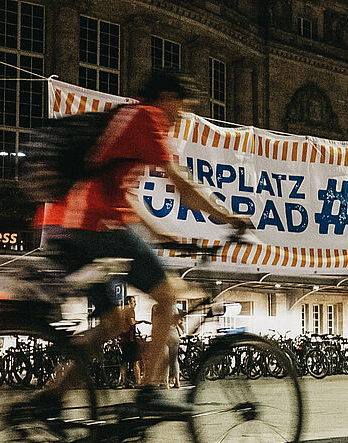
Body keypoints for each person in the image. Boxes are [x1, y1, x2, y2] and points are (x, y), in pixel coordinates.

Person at [26, 70, 250, 418]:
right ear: (166, 98)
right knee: (166, 296)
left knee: (112, 324)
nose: (180, 118)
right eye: (181, 108)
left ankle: (49, 397)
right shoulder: (147, 117)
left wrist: (160, 235)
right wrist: (230, 217)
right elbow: (184, 186)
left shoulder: (125, 121)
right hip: (92, 225)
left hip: (63, 226)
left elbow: (119, 197)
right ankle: (149, 392)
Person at [120, 296, 149, 387]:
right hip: (130, 339)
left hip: (124, 339)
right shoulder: (130, 310)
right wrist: (142, 321)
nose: (135, 304)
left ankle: (124, 381)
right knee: (136, 361)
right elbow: (132, 322)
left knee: (124, 361)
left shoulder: (122, 311)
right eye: (133, 302)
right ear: (129, 302)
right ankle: (138, 381)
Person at [152, 302, 181, 388]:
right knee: (175, 360)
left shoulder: (157, 307)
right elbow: (179, 321)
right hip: (174, 334)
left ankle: (165, 382)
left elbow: (155, 323)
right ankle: (177, 382)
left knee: (165, 359)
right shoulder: (174, 308)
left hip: (163, 335)